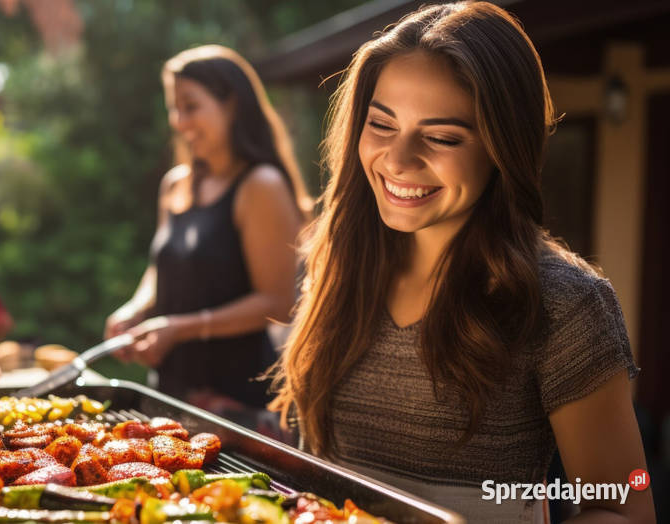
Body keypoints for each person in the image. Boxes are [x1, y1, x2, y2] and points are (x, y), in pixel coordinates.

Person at [267, 2, 655, 522]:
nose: (398, 160)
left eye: (442, 137)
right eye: (382, 125)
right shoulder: (337, 260)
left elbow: (625, 507)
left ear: (503, 148)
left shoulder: (566, 303)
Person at [106, 45, 311, 423]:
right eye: (174, 107)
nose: (179, 121)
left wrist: (179, 328)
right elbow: (161, 268)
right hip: (169, 391)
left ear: (231, 104)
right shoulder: (174, 186)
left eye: (191, 105)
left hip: (238, 405)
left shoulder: (260, 185)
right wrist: (135, 310)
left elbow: (278, 302)